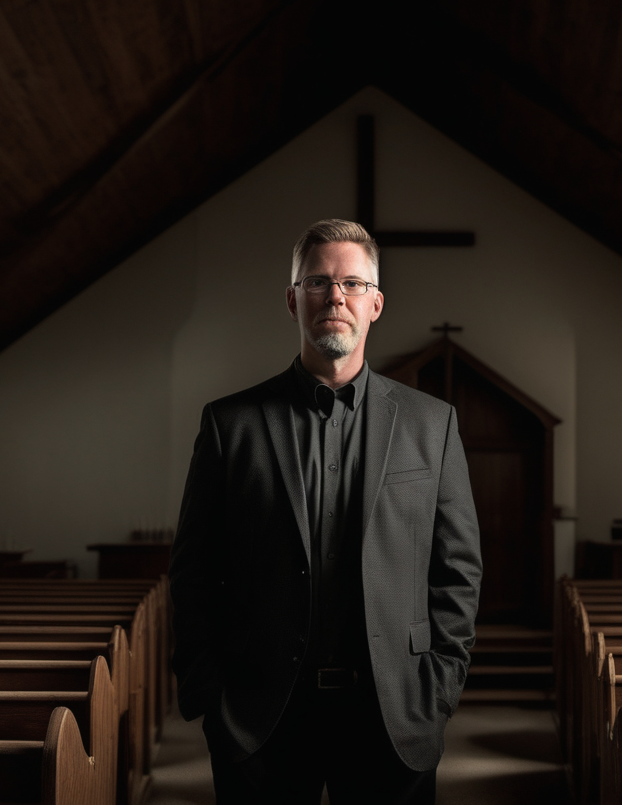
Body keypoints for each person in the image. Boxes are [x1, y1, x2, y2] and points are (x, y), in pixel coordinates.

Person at [169, 219, 483, 804]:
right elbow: (192, 570)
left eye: (353, 284)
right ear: (293, 300)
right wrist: (210, 697)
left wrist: (439, 690)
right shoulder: (229, 425)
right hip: (261, 715)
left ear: (376, 304)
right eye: (318, 281)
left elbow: (458, 570)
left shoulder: (430, 424)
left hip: (394, 711)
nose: (336, 295)